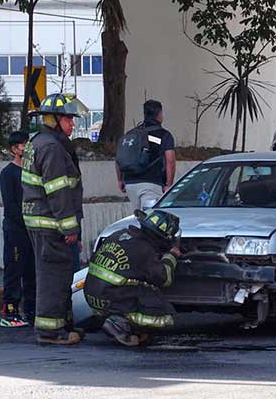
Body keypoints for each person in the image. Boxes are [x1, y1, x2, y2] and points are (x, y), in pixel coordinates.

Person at [22, 93, 85, 346]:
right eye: (69, 119)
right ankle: (50, 331)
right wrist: (70, 227)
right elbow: (58, 191)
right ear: (54, 119)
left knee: (57, 274)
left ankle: (62, 324)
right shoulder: (51, 147)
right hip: (51, 224)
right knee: (53, 277)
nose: (72, 124)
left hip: (42, 222)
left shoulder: (39, 142)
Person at [84, 209, 182, 347]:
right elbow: (164, 278)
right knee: (159, 308)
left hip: (93, 297)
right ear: (161, 237)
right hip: (110, 297)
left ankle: (113, 319)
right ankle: (121, 324)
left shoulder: (119, 234)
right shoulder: (144, 249)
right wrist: (171, 255)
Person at [0, 131, 36, 328]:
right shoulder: (8, 173)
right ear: (14, 149)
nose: (27, 148)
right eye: (23, 145)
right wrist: (25, 222)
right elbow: (10, 205)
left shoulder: (33, 172)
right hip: (16, 230)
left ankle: (32, 311)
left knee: (32, 271)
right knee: (14, 270)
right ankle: (10, 312)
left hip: (33, 230)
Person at [116, 100, 176, 211]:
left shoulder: (131, 134)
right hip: (151, 185)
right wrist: (169, 185)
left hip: (130, 184)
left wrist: (120, 180)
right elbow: (170, 161)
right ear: (159, 114)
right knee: (151, 219)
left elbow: (120, 158)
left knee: (138, 218)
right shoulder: (164, 135)